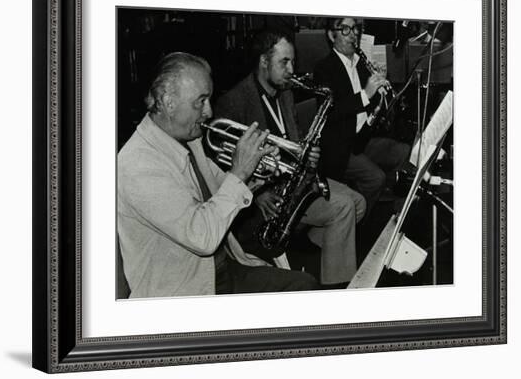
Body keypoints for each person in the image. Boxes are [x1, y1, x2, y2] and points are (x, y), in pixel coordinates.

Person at [117, 52, 318, 298]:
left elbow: (222, 189)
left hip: (221, 268)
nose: (209, 111)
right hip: (184, 290)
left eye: (209, 99)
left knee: (304, 285)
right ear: (168, 102)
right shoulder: (139, 164)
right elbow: (202, 237)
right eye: (200, 101)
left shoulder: (187, 140)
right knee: (302, 291)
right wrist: (239, 171)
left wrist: (257, 172)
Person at [215, 30, 366, 287]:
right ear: (264, 62)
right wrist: (258, 194)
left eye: (293, 62)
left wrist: (306, 152)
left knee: (359, 202)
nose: (291, 69)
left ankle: (307, 244)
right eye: (284, 62)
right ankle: (337, 287)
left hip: (294, 181)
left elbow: (291, 140)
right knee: (343, 208)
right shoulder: (235, 101)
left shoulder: (284, 92)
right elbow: (219, 164)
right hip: (267, 195)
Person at [313, 17, 410, 216]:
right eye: (346, 29)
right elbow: (332, 111)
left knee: (405, 152)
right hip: (340, 147)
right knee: (376, 178)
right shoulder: (324, 69)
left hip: (363, 139)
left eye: (355, 28)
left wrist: (381, 89)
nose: (354, 34)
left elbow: (370, 106)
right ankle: (354, 219)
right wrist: (366, 93)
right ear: (332, 36)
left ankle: (395, 215)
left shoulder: (360, 64)